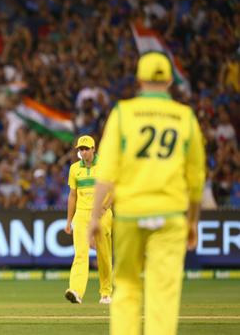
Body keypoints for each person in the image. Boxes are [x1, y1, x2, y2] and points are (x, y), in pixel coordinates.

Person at [88, 52, 206, 335]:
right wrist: (192, 221)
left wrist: (94, 217)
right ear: (169, 80)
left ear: (139, 79)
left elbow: (106, 171)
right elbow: (196, 179)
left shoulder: (123, 113)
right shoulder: (185, 117)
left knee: (126, 287)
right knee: (163, 292)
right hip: (169, 215)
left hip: (130, 214)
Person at [64, 135, 112, 305]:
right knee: (80, 254)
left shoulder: (105, 166)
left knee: (104, 254)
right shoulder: (74, 169)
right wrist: (69, 221)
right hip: (82, 214)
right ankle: (76, 291)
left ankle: (106, 293)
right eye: (80, 149)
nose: (83, 152)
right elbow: (72, 195)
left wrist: (104, 208)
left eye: (86, 149)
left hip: (103, 213)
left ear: (93, 149)